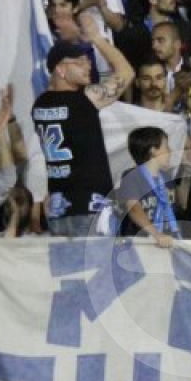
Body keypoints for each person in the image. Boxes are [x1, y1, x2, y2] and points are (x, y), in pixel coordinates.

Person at [32, 29, 134, 235]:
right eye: (79, 62)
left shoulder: (39, 104)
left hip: (58, 207)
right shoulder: (84, 99)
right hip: (90, 206)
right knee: (98, 258)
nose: (88, 66)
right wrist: (96, 37)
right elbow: (127, 72)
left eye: (87, 60)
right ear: (60, 69)